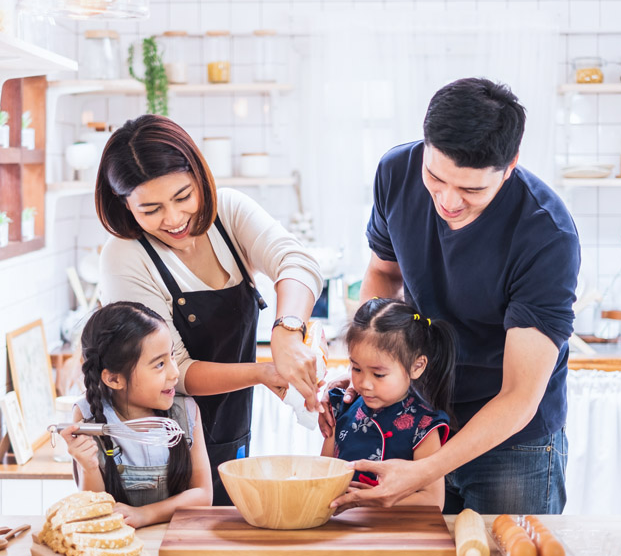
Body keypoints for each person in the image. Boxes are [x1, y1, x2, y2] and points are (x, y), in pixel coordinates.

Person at [325, 78, 580, 515]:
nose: (448, 200)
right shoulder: (396, 172)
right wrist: (372, 367)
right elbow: (383, 275)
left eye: (472, 190)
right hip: (418, 415)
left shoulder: (546, 236)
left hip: (510, 442)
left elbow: (520, 394)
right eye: (436, 178)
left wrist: (425, 472)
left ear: (511, 164)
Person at [95, 115, 324, 506]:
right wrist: (263, 372)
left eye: (183, 197)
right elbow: (175, 372)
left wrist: (286, 331)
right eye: (150, 209)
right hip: (161, 447)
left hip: (231, 423)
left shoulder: (228, 213)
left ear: (200, 177)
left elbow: (297, 262)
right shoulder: (124, 257)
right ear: (125, 204)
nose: (173, 218)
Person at [63, 301, 212, 528]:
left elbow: (203, 495)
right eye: (160, 364)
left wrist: (145, 514)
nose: (175, 372)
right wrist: (88, 466)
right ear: (114, 379)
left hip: (175, 541)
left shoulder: (186, 413)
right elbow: (92, 511)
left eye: (172, 356)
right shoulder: (88, 417)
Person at [320, 298, 456, 508]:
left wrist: (368, 502)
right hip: (342, 531)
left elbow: (433, 500)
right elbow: (322, 474)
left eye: (378, 374)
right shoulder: (341, 408)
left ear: (417, 366)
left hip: (397, 534)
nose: (364, 384)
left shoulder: (424, 425)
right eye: (356, 369)